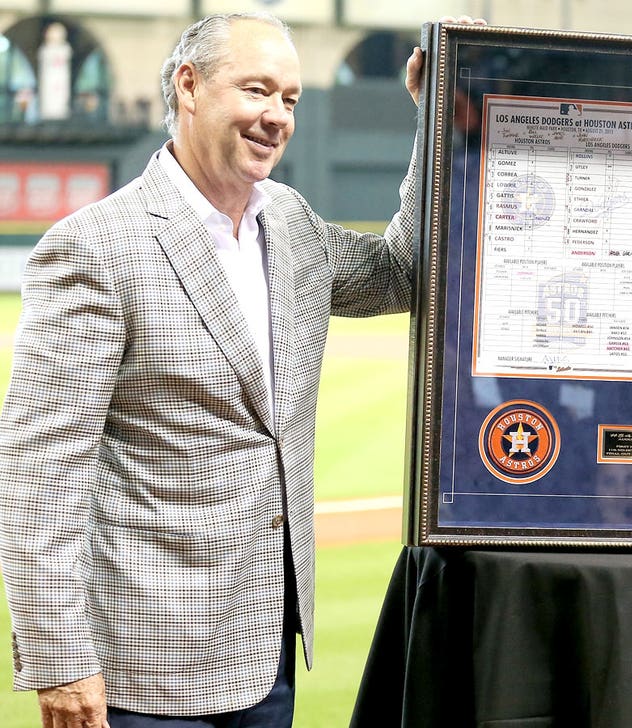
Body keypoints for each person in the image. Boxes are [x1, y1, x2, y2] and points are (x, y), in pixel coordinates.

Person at [0, 11, 482, 727]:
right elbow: (40, 470)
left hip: (265, 656)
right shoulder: (95, 248)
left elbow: (403, 276)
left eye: (289, 99)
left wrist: (433, 115)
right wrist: (60, 660)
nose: (276, 118)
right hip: (141, 671)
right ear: (188, 87)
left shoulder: (289, 223)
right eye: (257, 91)